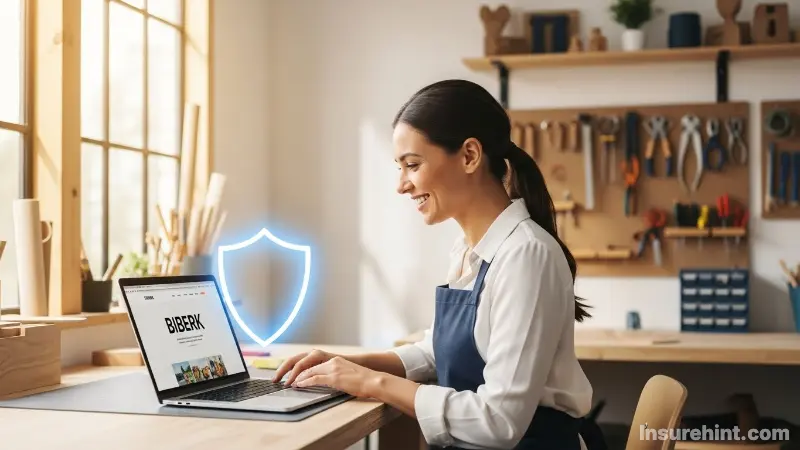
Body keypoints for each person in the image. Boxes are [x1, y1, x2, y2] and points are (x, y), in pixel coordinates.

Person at [273, 79, 602, 450]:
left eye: (412, 165)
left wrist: (370, 382)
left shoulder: (526, 255)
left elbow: (499, 421)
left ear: (469, 156)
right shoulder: (468, 250)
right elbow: (435, 352)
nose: (401, 185)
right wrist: (346, 364)